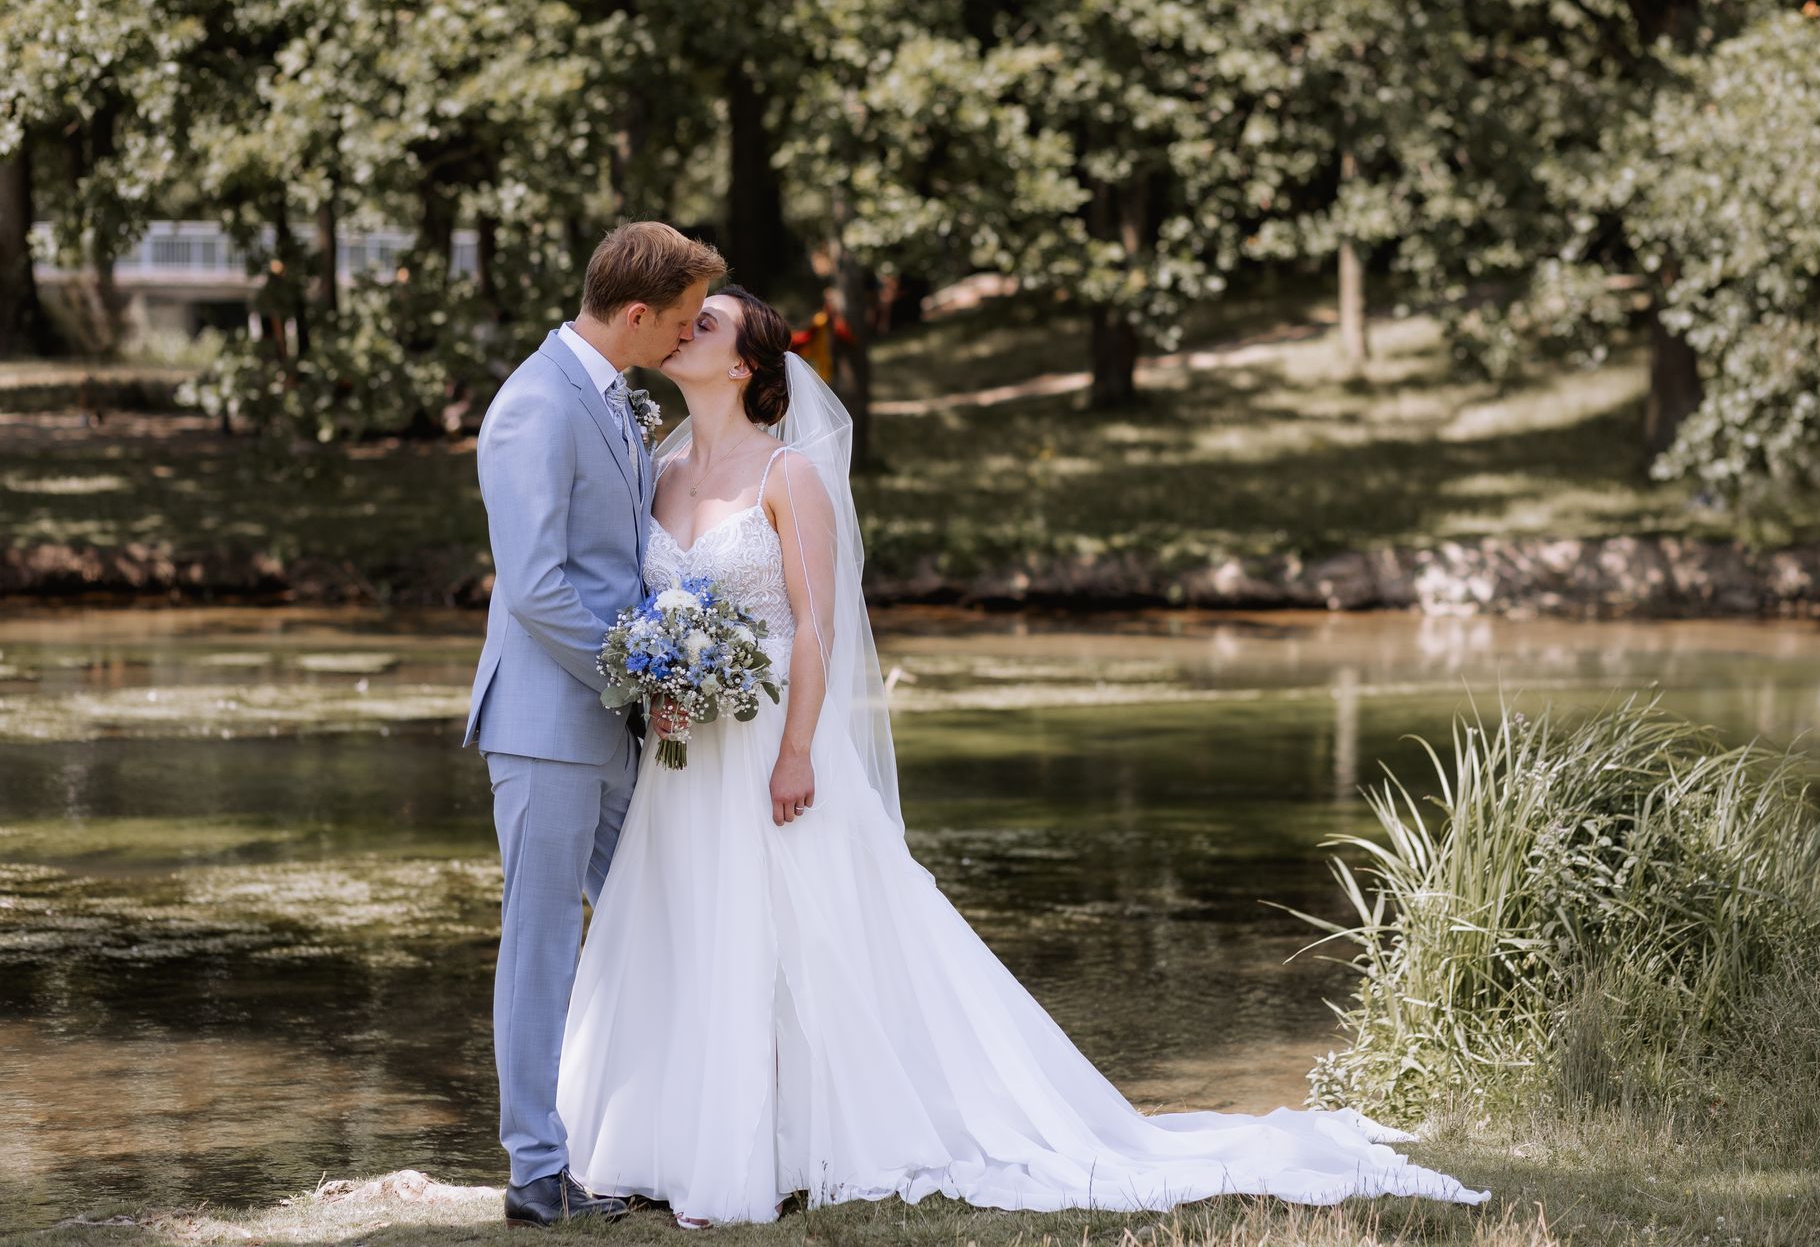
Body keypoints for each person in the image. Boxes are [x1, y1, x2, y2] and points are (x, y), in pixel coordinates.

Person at [553, 286, 1492, 1228]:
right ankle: (657, 1143)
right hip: (686, 752)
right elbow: (649, 607)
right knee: (689, 931)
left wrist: (797, 750)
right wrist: (661, 677)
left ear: (747, 362)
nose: (683, 329)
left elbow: (814, 629)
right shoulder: (664, 470)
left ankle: (770, 1147)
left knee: (795, 937)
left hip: (768, 745)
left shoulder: (787, 474)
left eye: (703, 323)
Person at [464, 221, 728, 1228]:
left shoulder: (621, 401)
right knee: (543, 946)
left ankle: (643, 1137)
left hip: (617, 725)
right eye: (677, 320)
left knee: (652, 925)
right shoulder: (533, 404)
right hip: (546, 724)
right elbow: (534, 590)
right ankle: (537, 1168)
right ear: (632, 315)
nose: (684, 334)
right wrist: (641, 674)